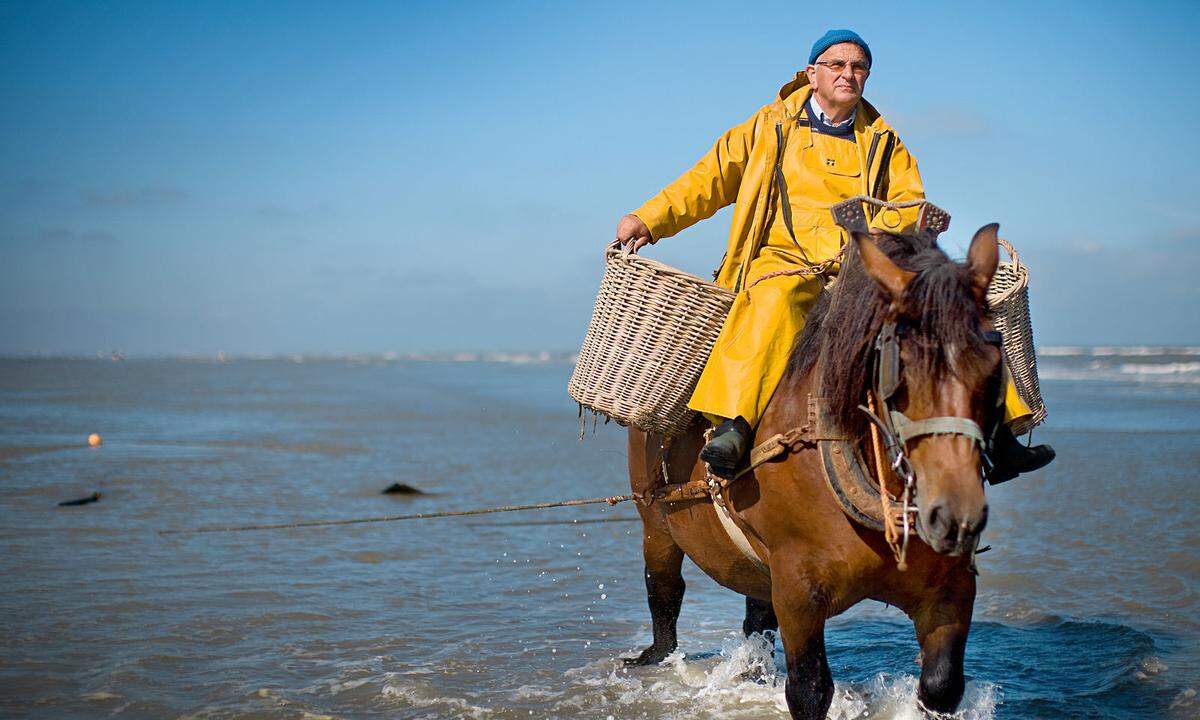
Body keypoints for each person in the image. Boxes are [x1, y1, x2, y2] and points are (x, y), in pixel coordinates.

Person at [615, 29, 1054, 481]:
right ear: (812, 74)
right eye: (837, 65)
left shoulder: (885, 141)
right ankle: (734, 426)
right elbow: (707, 179)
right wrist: (648, 219)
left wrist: (896, 232)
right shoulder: (769, 126)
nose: (848, 73)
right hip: (780, 262)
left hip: (859, 269)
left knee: (950, 317)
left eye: (858, 67)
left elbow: (909, 206)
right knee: (773, 305)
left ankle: (999, 437)